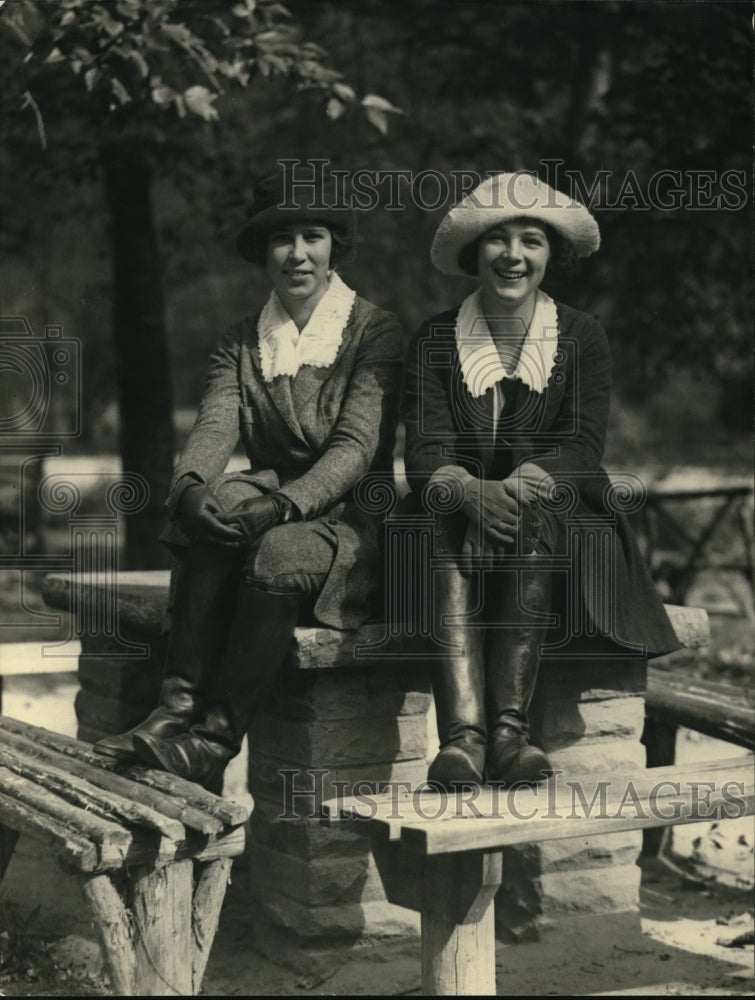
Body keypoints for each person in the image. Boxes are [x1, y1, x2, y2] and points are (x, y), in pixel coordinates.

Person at [94, 169, 404, 791]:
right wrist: (190, 486)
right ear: (264, 252)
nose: (297, 254)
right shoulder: (242, 340)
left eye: (312, 237)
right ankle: (173, 709)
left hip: (349, 519)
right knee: (214, 511)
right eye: (282, 239)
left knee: (276, 550)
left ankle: (214, 740)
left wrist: (285, 504)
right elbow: (215, 425)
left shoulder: (375, 332)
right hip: (267, 507)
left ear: (334, 247)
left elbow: (354, 448)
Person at [401, 171, 679, 791]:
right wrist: (470, 493)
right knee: (438, 516)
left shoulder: (580, 336)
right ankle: (463, 741)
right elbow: (423, 450)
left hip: (561, 523)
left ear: (551, 255)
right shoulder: (436, 338)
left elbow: (581, 447)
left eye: (531, 241)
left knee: (532, 513)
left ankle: (508, 735)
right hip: (455, 524)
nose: (513, 255)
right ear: (475, 252)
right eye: (498, 239)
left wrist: (512, 490)